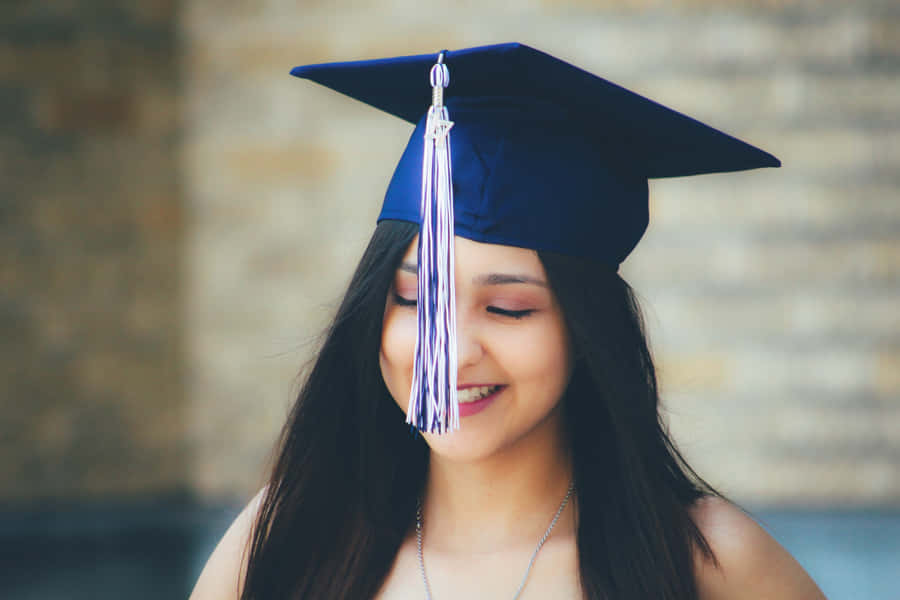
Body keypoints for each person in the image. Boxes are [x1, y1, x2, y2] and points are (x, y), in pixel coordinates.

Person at [191, 43, 826, 599]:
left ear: (586, 331)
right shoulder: (287, 539)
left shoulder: (706, 562)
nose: (453, 345)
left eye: (508, 307)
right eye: (413, 299)